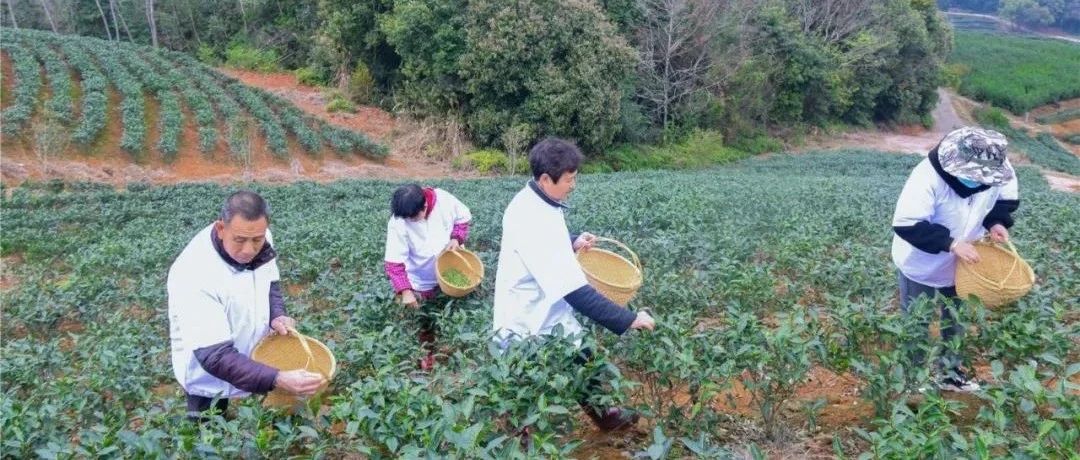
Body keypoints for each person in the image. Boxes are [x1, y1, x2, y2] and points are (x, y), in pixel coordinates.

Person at [492, 137, 656, 431]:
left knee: (581, 354)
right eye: (569, 179)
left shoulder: (539, 199)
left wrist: (571, 242)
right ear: (545, 179)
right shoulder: (531, 215)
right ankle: (520, 438)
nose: (573, 185)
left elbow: (544, 247)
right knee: (523, 380)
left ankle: (605, 414)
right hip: (526, 312)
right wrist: (629, 319)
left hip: (546, 302)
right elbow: (577, 293)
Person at [168, 190, 325, 420]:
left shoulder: (261, 236)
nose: (249, 250)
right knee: (207, 428)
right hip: (209, 372)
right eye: (239, 240)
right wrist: (277, 378)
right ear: (221, 229)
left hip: (255, 356)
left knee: (260, 423)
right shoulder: (194, 273)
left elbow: (270, 282)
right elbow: (215, 356)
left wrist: (277, 315)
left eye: (257, 240)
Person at [891, 127, 1020, 392]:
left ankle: (950, 374)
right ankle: (913, 381)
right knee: (917, 319)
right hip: (921, 261)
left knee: (956, 319)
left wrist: (995, 222)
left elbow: (1004, 199)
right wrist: (950, 244)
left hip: (965, 262)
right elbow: (908, 224)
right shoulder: (926, 177)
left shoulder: (996, 165)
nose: (978, 183)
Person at [384, 184, 472, 370]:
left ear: (424, 207)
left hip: (452, 268)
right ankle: (428, 355)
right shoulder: (398, 222)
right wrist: (406, 291)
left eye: (413, 218)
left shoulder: (444, 200)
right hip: (421, 278)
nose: (410, 221)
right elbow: (394, 263)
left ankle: (458, 356)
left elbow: (463, 217)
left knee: (457, 315)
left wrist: (456, 238)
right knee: (426, 320)